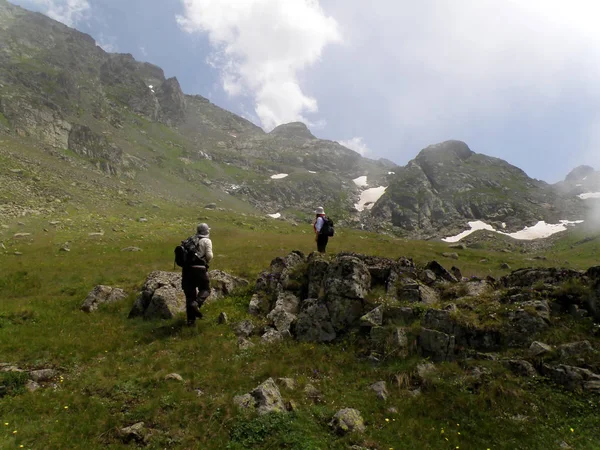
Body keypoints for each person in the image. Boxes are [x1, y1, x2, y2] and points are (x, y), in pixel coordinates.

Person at [181, 223, 213, 326]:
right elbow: (209, 256)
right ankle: (197, 303)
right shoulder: (206, 241)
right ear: (206, 231)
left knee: (189, 296)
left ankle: (190, 322)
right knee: (205, 289)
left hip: (186, 271)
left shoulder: (190, 240)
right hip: (199, 270)